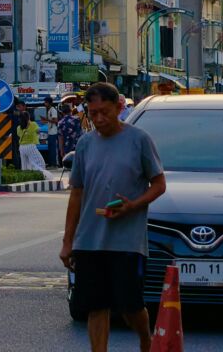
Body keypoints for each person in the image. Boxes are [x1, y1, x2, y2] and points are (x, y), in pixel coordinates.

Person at [60, 84, 167, 352]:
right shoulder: (85, 144)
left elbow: (159, 184)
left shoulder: (139, 140)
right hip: (89, 240)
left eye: (104, 112)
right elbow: (77, 195)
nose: (98, 119)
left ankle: (145, 338)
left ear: (119, 108)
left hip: (126, 241)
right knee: (96, 306)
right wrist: (68, 241)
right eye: (92, 113)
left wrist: (134, 206)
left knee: (130, 305)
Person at [17, 108, 48, 173]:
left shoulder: (19, 127)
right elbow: (38, 131)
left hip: (22, 147)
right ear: (28, 117)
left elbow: (19, 135)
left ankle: (26, 177)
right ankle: (40, 174)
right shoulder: (33, 124)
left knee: (24, 165)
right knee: (40, 162)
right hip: (30, 146)